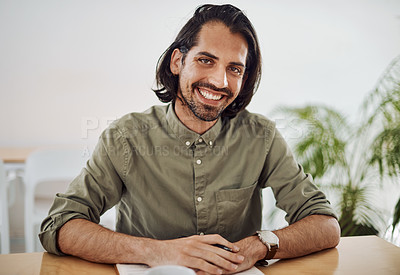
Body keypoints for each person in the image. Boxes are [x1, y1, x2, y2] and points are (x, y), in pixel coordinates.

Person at [40, 4, 340, 275]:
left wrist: (259, 245)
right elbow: (60, 226)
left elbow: (326, 225)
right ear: (177, 62)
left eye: (234, 69)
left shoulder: (261, 137)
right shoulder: (125, 137)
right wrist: (158, 252)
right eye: (206, 60)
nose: (220, 82)